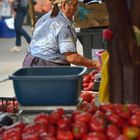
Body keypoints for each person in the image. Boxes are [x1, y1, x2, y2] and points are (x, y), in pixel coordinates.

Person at [23, 0, 100, 68]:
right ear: (63, 5)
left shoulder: (46, 17)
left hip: (30, 62)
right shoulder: (63, 26)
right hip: (44, 66)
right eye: (75, 5)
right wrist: (95, 63)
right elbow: (72, 57)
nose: (77, 8)